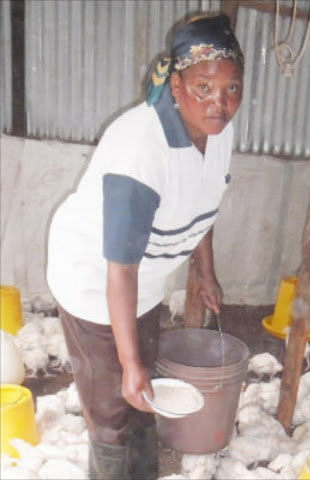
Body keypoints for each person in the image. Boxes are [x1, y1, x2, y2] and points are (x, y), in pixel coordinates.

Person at [46, 14, 244, 480]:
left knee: (142, 397)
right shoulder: (140, 150)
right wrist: (131, 363)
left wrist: (205, 272)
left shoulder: (219, 133)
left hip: (144, 281)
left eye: (231, 89)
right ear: (176, 86)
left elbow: (204, 202)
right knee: (113, 408)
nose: (219, 104)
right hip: (94, 281)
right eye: (203, 88)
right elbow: (120, 270)